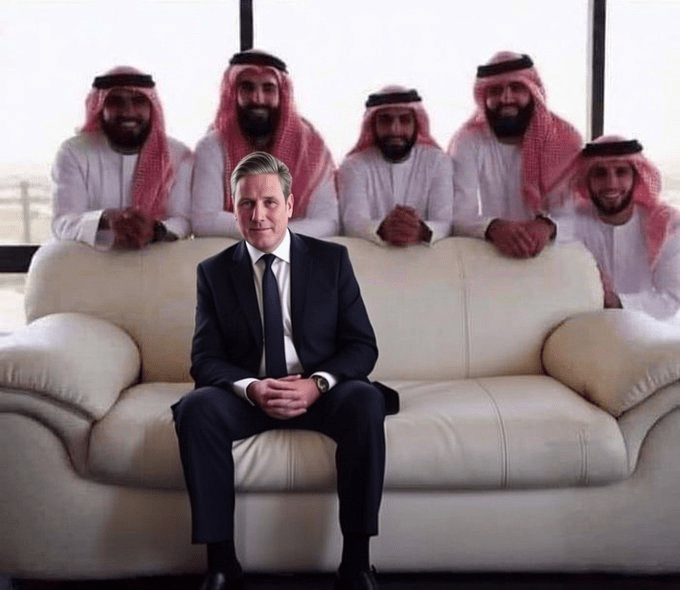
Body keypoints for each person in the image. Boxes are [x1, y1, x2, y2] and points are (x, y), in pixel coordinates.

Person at [173, 152, 396, 590]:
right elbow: (205, 359)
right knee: (197, 409)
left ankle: (356, 564)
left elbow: (361, 346)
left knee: (365, 401)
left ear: (290, 205)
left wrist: (317, 385)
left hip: (320, 393)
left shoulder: (332, 261)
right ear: (234, 208)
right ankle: (221, 565)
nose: (258, 215)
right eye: (246, 203)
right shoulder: (214, 272)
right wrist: (252, 388)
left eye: (270, 202)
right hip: (251, 397)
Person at [191, 50, 338, 239]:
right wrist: (269, 231)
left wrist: (274, 235)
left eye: (268, 89)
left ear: (282, 95)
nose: (257, 98)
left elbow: (327, 222)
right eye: (247, 88)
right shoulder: (213, 146)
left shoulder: (311, 150)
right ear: (233, 93)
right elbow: (205, 220)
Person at [448, 51, 582, 258]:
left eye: (516, 88)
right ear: (484, 97)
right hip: (487, 254)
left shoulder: (564, 140)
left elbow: (578, 215)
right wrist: (493, 227)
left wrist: (547, 226)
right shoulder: (468, 141)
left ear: (533, 92)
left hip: (550, 257)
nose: (506, 98)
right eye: (496, 91)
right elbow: (458, 214)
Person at [51, 66, 192, 249]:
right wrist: (104, 220)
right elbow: (63, 222)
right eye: (116, 101)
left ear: (151, 107)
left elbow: (183, 220)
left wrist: (155, 230)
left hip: (156, 258)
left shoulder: (178, 154)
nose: (128, 112)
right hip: (91, 260)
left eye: (138, 101)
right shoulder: (74, 152)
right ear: (100, 107)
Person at [555, 135, 680, 320]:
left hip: (651, 328)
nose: (611, 184)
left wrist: (616, 301)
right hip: (585, 325)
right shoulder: (575, 218)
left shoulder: (666, 224)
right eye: (600, 173)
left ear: (636, 178)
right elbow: (551, 231)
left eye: (621, 172)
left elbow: (672, 299)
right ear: (586, 180)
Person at [338, 86, 453, 246]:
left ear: (417, 124)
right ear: (373, 125)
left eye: (405, 120)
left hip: (424, 257)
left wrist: (420, 229)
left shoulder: (437, 162)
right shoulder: (354, 165)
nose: (395, 129)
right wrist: (382, 229)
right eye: (385, 120)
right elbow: (353, 223)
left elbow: (445, 222)